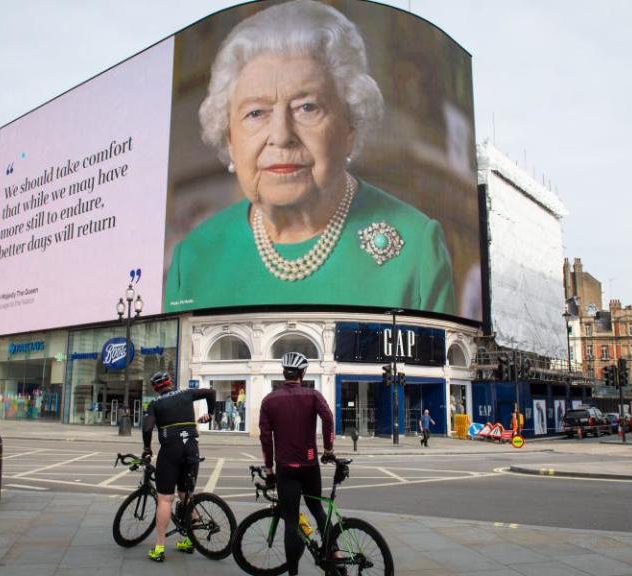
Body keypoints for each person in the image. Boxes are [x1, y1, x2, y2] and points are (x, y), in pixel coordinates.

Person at [163, 0, 457, 316]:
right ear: (230, 139)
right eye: (256, 112)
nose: (280, 134)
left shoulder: (416, 248)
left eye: (307, 107)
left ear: (350, 126)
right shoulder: (192, 260)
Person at [259, 352, 334, 576]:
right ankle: (334, 555)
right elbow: (328, 418)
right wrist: (328, 448)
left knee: (291, 521)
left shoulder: (269, 400)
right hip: (310, 464)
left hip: (285, 468)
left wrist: (269, 467)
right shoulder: (313, 395)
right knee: (317, 509)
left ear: (283, 373)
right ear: (302, 373)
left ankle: (293, 573)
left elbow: (265, 437)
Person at [141, 371, 215, 562]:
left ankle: (159, 549)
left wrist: (147, 448)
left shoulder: (155, 404)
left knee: (165, 499)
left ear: (155, 388)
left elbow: (147, 427)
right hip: (191, 448)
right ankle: (190, 541)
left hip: (170, 451)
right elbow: (210, 393)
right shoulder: (186, 394)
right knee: (185, 495)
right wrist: (211, 414)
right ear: (170, 383)